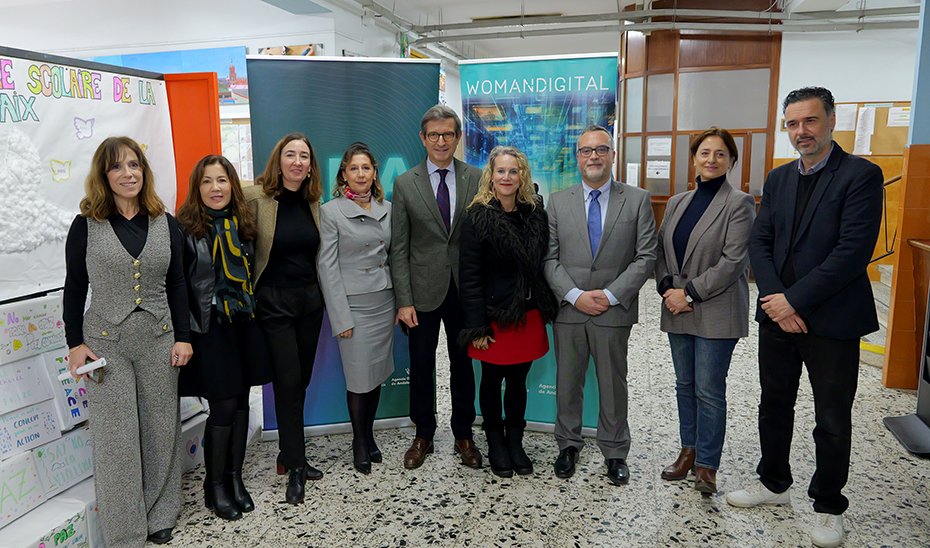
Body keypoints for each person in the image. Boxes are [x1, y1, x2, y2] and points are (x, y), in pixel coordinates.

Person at [727, 87, 883, 548]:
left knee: (832, 417)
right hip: (778, 317)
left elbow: (852, 253)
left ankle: (829, 504)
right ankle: (774, 483)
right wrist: (777, 300)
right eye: (792, 124)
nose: (801, 132)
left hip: (832, 320)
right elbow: (761, 242)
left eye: (810, 121)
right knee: (774, 404)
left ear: (831, 120)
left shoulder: (860, 175)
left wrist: (793, 301)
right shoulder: (778, 179)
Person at [63, 136, 191, 547]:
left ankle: (160, 514)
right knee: (116, 436)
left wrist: (184, 337)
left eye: (134, 165)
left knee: (160, 428)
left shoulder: (164, 221)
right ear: (104, 175)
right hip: (104, 343)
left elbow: (177, 283)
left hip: (158, 337)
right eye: (117, 167)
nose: (127, 173)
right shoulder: (86, 225)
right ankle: (124, 531)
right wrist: (73, 343)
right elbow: (74, 286)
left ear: (144, 171)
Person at [543, 124, 657, 486]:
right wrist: (575, 295)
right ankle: (568, 444)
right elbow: (548, 259)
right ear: (577, 157)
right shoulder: (558, 201)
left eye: (601, 149)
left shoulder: (637, 199)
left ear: (612, 153)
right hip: (569, 309)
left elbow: (646, 257)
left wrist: (608, 296)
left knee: (612, 383)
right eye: (586, 150)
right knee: (567, 381)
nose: (594, 156)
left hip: (614, 309)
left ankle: (615, 451)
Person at [655, 127, 755, 495]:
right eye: (704, 153)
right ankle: (688, 450)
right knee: (685, 385)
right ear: (693, 158)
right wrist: (667, 286)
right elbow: (661, 251)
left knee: (709, 390)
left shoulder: (739, 203)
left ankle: (707, 465)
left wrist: (689, 293)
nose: (711, 160)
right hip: (677, 308)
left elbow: (733, 262)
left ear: (731, 160)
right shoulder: (678, 201)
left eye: (720, 154)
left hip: (715, 308)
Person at [176, 155, 273, 519]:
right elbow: (180, 286)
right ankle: (213, 484)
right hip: (209, 325)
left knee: (244, 400)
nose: (215, 188)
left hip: (244, 320)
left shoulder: (243, 223)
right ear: (196, 188)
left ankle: (234, 478)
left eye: (221, 180)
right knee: (223, 404)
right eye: (206, 182)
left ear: (233, 184)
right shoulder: (184, 229)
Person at [392, 105, 483, 469]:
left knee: (463, 366)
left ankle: (463, 433)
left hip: (465, 291)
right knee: (421, 364)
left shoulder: (477, 178)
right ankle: (423, 434)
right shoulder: (405, 182)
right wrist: (404, 299)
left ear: (458, 137)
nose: (441, 141)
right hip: (421, 293)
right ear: (423, 138)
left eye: (448, 134)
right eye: (434, 135)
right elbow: (399, 246)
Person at [458, 145, 558, 478]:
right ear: (491, 175)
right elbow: (469, 276)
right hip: (492, 318)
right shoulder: (477, 216)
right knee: (491, 381)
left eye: (513, 171)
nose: (507, 177)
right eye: (500, 171)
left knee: (518, 381)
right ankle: (496, 442)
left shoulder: (534, 213)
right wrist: (477, 326)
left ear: (522, 176)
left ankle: (515, 442)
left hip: (527, 314)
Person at [244, 132, 325, 505]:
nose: (297, 162)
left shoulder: (314, 202)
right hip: (273, 303)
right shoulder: (256, 196)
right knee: (288, 382)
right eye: (290, 155)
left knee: (302, 380)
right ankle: (295, 466)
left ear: (310, 166)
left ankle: (286, 454)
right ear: (278, 161)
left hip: (310, 301)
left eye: (304, 156)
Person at [318, 142, 394, 475]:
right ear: (344, 174)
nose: (360, 174)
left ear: (374, 172)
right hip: (353, 306)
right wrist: (340, 317)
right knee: (358, 380)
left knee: (375, 376)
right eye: (354, 168)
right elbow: (327, 267)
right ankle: (359, 441)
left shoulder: (387, 207)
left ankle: (369, 434)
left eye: (366, 168)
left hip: (383, 301)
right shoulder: (331, 211)